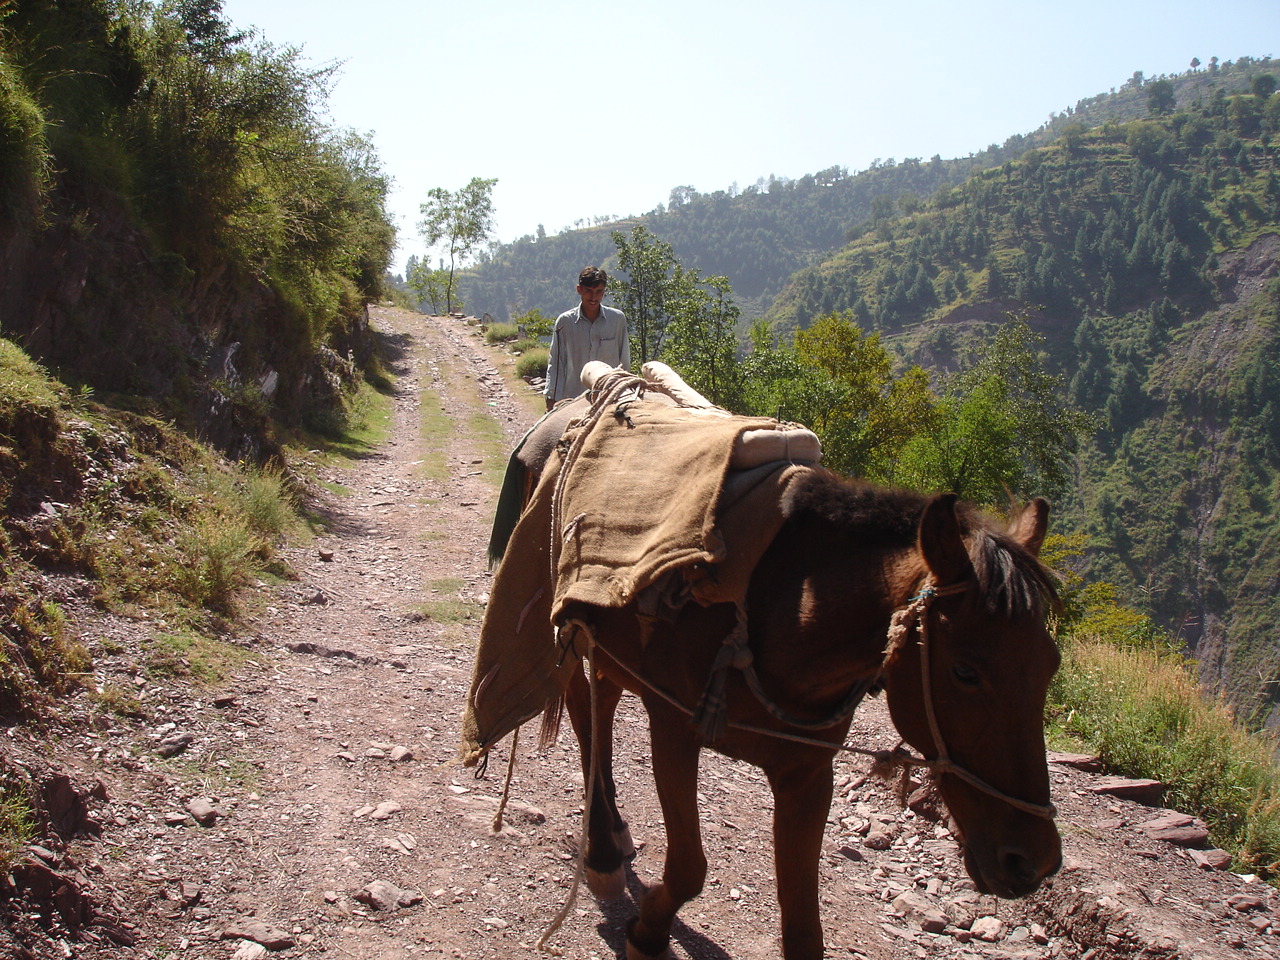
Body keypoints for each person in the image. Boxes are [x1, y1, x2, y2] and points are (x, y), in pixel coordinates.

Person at [544, 266, 629, 410]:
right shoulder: (565, 322)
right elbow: (557, 362)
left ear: (604, 292)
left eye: (599, 292)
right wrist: (551, 397)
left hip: (608, 400)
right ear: (579, 290)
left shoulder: (617, 320)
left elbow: (624, 362)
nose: (594, 297)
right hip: (573, 400)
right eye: (589, 291)